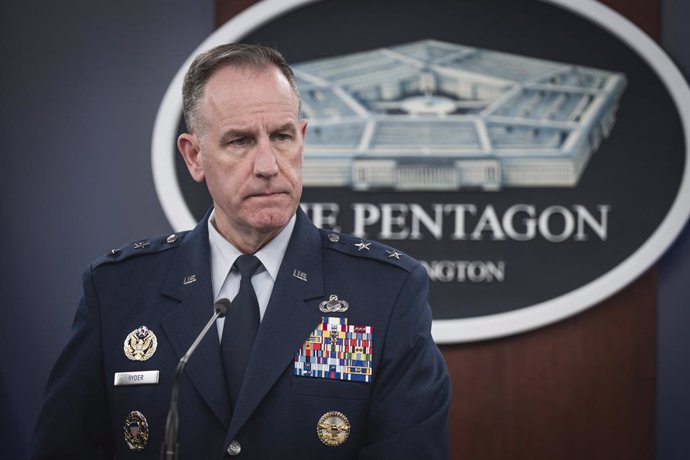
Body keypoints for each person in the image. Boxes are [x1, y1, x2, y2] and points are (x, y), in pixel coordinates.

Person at [30, 43, 451, 459]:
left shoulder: (385, 292)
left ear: (301, 140)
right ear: (194, 156)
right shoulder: (118, 290)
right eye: (240, 141)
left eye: (282, 136)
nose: (268, 165)